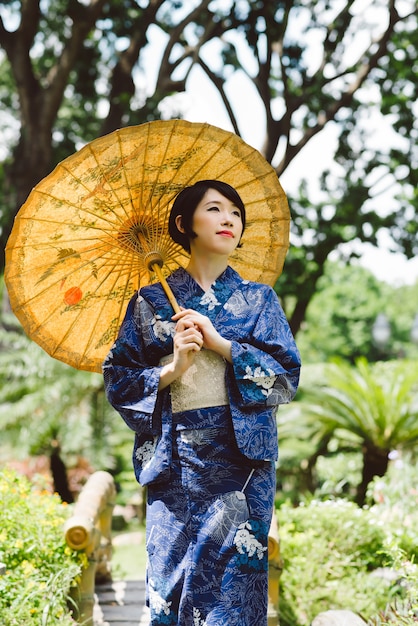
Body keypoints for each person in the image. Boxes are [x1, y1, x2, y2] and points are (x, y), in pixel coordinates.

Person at [103, 179, 301, 626]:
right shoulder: (151, 303)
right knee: (170, 587)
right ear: (182, 224)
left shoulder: (259, 301)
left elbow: (286, 379)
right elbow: (117, 380)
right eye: (214, 209)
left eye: (235, 211)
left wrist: (223, 344)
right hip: (176, 462)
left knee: (234, 590)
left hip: (241, 466)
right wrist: (172, 369)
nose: (229, 218)